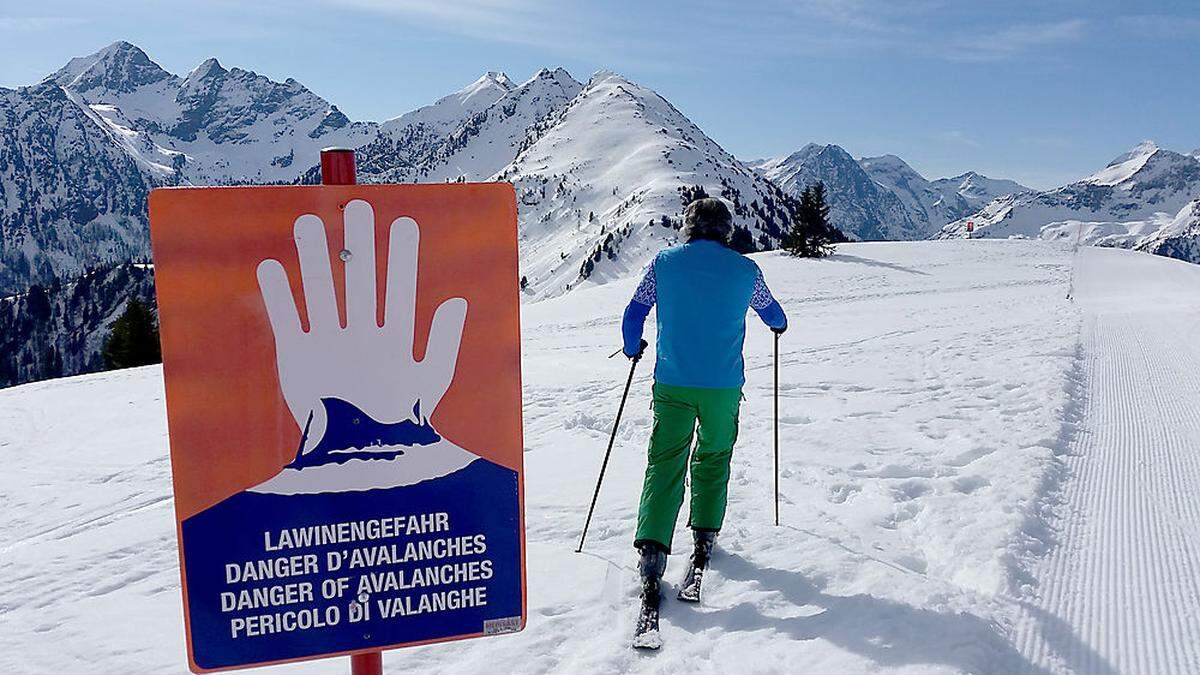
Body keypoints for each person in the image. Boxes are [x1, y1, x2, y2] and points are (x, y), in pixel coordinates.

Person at [621, 197, 787, 616]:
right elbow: (773, 313)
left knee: (665, 461)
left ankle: (653, 548)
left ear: (688, 227)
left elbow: (634, 312)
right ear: (726, 230)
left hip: (673, 382)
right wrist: (779, 326)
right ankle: (704, 535)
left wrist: (631, 346)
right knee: (713, 457)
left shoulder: (663, 263)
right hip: (723, 386)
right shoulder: (747, 271)